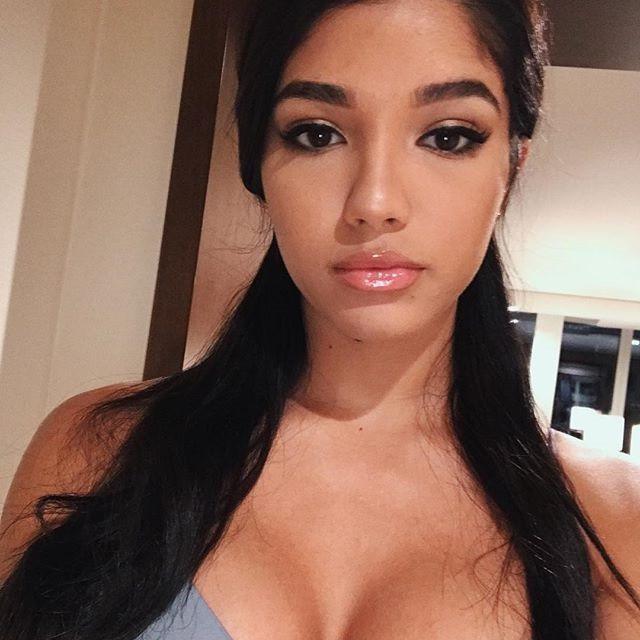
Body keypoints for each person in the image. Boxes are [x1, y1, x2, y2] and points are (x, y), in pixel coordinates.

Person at [1, 0, 640, 638]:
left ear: (512, 165)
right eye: (316, 134)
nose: (375, 202)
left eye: (448, 136)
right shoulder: (97, 450)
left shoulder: (612, 520)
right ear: (258, 165)